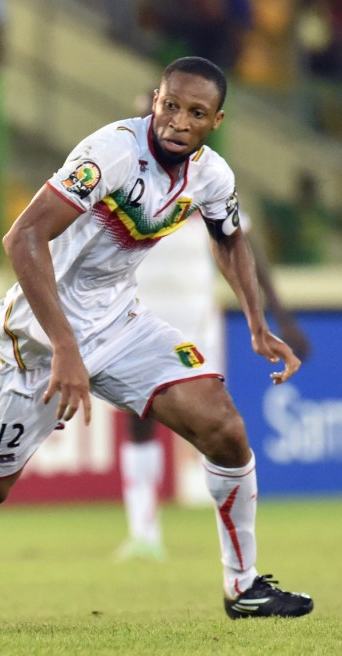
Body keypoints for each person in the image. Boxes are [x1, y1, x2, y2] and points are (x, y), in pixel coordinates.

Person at [0, 56, 313, 626]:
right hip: (36, 341)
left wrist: (255, 320)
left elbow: (229, 237)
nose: (176, 121)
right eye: (169, 105)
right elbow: (22, 238)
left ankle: (243, 586)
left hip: (120, 324)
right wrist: (66, 348)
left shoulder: (212, 174)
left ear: (216, 120)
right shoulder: (112, 154)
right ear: (155, 100)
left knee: (224, 427)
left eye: (195, 112)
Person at [118, 196, 311, 561]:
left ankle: (230, 533)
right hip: (140, 328)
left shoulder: (210, 186)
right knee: (139, 420)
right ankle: (143, 532)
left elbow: (247, 253)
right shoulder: (132, 187)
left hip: (196, 333)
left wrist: (281, 317)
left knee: (214, 425)